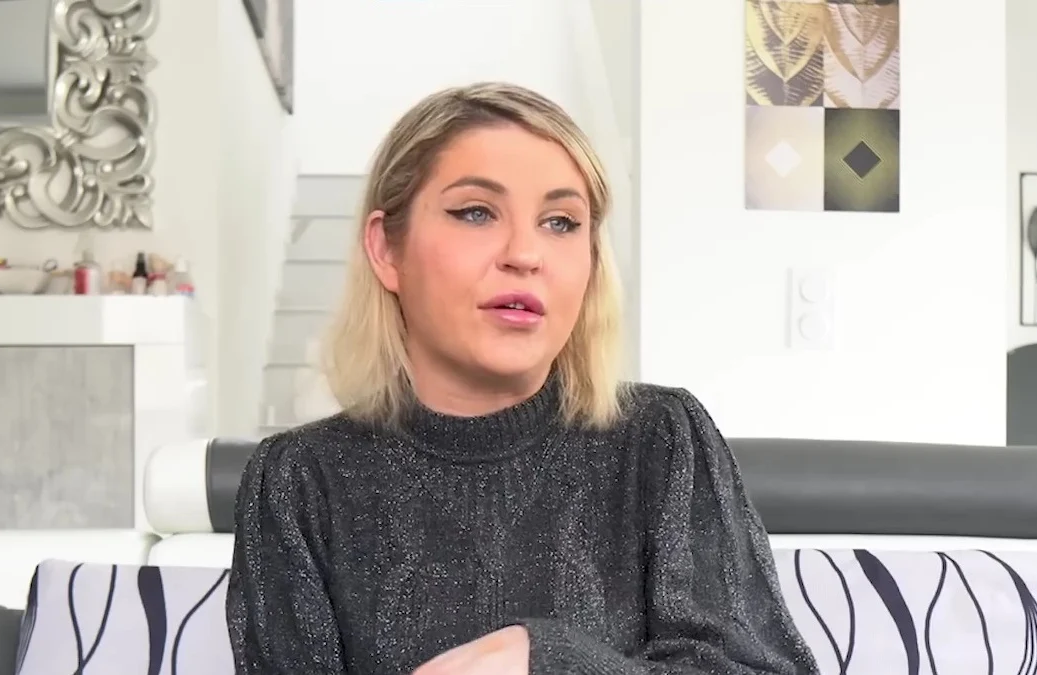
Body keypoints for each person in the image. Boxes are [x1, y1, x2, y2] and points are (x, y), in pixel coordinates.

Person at [226, 82, 818, 675]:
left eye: (561, 222)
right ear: (386, 250)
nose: (525, 254)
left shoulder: (662, 439)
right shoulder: (298, 480)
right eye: (476, 213)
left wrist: (549, 661)